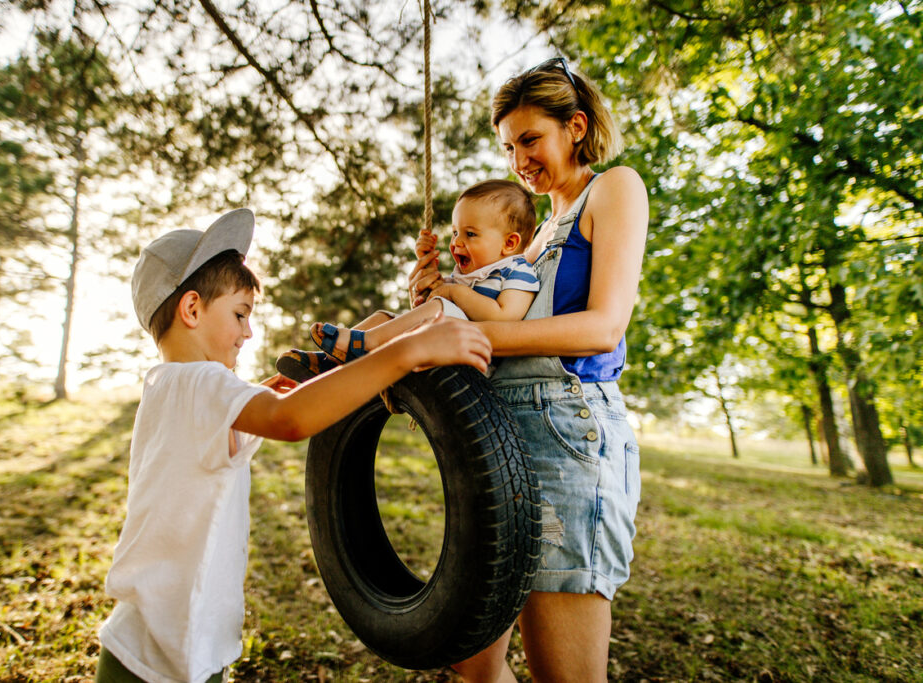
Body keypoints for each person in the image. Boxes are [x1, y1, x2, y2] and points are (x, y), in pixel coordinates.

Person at [96, 208, 491, 683]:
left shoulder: (173, 387)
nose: (248, 332)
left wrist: (277, 386)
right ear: (193, 309)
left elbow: (258, 415)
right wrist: (410, 350)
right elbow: (290, 419)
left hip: (177, 646)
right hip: (154, 658)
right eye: (240, 315)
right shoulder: (200, 384)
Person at [408, 57, 648, 682]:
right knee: (474, 665)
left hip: (571, 438)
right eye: (509, 146)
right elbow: (493, 322)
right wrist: (439, 295)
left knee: (561, 676)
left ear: (575, 126)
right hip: (501, 442)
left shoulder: (613, 189)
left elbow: (603, 326)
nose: (519, 160)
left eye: (530, 140)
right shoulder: (532, 234)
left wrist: (472, 335)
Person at [303, 179, 540, 365]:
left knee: (439, 307)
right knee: (384, 317)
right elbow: (436, 299)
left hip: (477, 357)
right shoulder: (465, 276)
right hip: (446, 340)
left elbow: (505, 318)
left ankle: (366, 343)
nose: (456, 243)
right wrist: (428, 270)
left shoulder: (518, 271)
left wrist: (452, 293)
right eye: (455, 232)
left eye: (470, 234)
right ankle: (329, 361)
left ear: (509, 243)